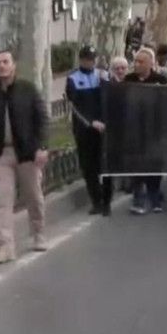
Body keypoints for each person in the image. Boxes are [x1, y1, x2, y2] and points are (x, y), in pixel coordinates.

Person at [0, 50, 50, 263]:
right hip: (1, 154)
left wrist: (42, 147)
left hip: (27, 153)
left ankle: (38, 234)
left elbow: (42, 119)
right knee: (2, 201)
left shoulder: (27, 89)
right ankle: (6, 246)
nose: (2, 65)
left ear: (13, 65)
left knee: (33, 196)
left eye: (5, 61)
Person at [125, 48, 167, 214]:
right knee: (137, 162)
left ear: (151, 63)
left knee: (154, 162)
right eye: (136, 61)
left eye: (141, 62)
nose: (137, 64)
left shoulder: (160, 80)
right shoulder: (129, 80)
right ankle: (138, 195)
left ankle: (154, 194)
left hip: (155, 128)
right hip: (135, 128)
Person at [66, 45, 107, 215]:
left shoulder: (102, 75)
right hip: (84, 129)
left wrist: (106, 121)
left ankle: (106, 195)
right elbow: (75, 107)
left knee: (103, 163)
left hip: (103, 127)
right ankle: (96, 201)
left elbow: (109, 98)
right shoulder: (73, 79)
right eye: (88, 59)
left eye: (93, 59)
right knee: (89, 166)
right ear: (81, 60)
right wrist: (90, 123)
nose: (91, 62)